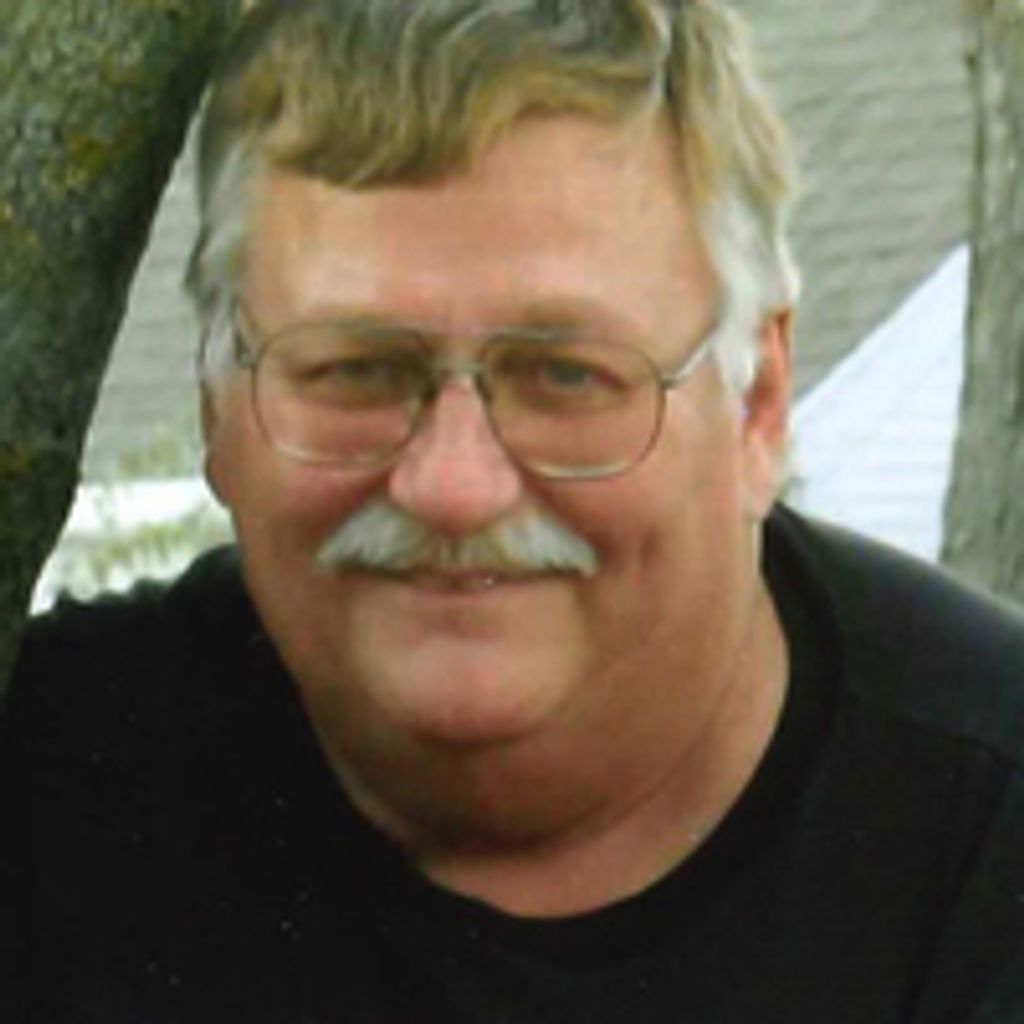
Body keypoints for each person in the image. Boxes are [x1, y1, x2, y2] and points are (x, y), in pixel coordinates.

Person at [3, 1, 1024, 1020]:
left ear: (756, 402)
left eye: (565, 376)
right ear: (214, 402)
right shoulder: (55, 792)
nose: (454, 486)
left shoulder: (984, 848)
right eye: (356, 370)